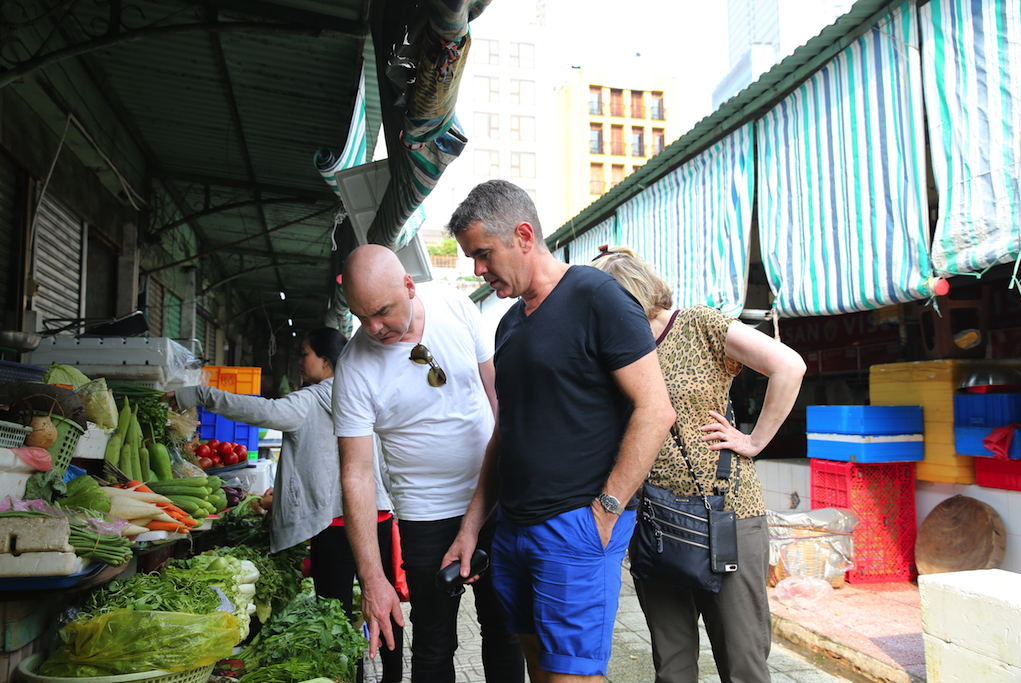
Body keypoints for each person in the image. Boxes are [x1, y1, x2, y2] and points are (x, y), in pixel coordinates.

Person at [442, 179, 677, 683]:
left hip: (576, 524)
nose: (478, 270)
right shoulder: (508, 325)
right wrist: (471, 527)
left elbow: (656, 410)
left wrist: (607, 510)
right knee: (540, 669)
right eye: (471, 259)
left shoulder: (598, 296)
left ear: (524, 235)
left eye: (483, 255)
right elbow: (507, 431)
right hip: (514, 529)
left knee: (572, 676)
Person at [592, 245, 806, 683]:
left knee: (742, 660)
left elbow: (789, 365)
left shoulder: (697, 324)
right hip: (652, 519)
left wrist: (754, 440)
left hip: (725, 516)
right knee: (671, 665)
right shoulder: (612, 352)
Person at [332, 244, 523, 683]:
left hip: (491, 499)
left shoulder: (454, 306)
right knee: (434, 645)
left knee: (505, 630)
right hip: (425, 518)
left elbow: (498, 400)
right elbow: (357, 472)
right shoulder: (354, 366)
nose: (374, 328)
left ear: (409, 285)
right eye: (362, 317)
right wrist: (372, 577)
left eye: (382, 311)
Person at [170, 328, 403, 682]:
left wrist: (198, 393)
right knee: (384, 602)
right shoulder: (363, 395)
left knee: (335, 616)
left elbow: (259, 410)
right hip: (377, 516)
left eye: (306, 353)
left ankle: (350, 677)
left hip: (335, 525)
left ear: (325, 361)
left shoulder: (309, 400)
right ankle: (393, 676)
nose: (300, 360)